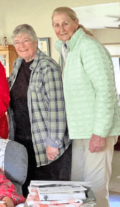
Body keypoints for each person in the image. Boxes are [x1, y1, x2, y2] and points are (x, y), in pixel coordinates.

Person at [52, 7, 120, 206]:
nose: (61, 28)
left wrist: (99, 133)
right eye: (56, 24)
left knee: (95, 191)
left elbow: (106, 91)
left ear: (76, 22)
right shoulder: (69, 50)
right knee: (79, 190)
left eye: (65, 23)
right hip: (80, 132)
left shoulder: (88, 46)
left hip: (97, 131)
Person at [8, 24, 72, 197]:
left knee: (50, 194)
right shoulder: (17, 64)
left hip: (46, 144)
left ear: (35, 41)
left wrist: (54, 141)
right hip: (23, 141)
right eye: (17, 42)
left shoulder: (48, 67)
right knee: (29, 192)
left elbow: (57, 106)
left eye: (26, 40)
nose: (21, 45)